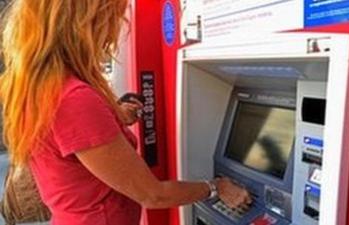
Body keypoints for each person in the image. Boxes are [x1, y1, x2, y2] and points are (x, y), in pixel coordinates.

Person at [0, 1, 251, 225]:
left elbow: (66, 141)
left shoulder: (38, 86)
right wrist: (216, 187)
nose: (111, 36)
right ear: (82, 25)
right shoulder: (73, 99)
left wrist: (110, 117)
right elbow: (153, 194)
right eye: (111, 21)